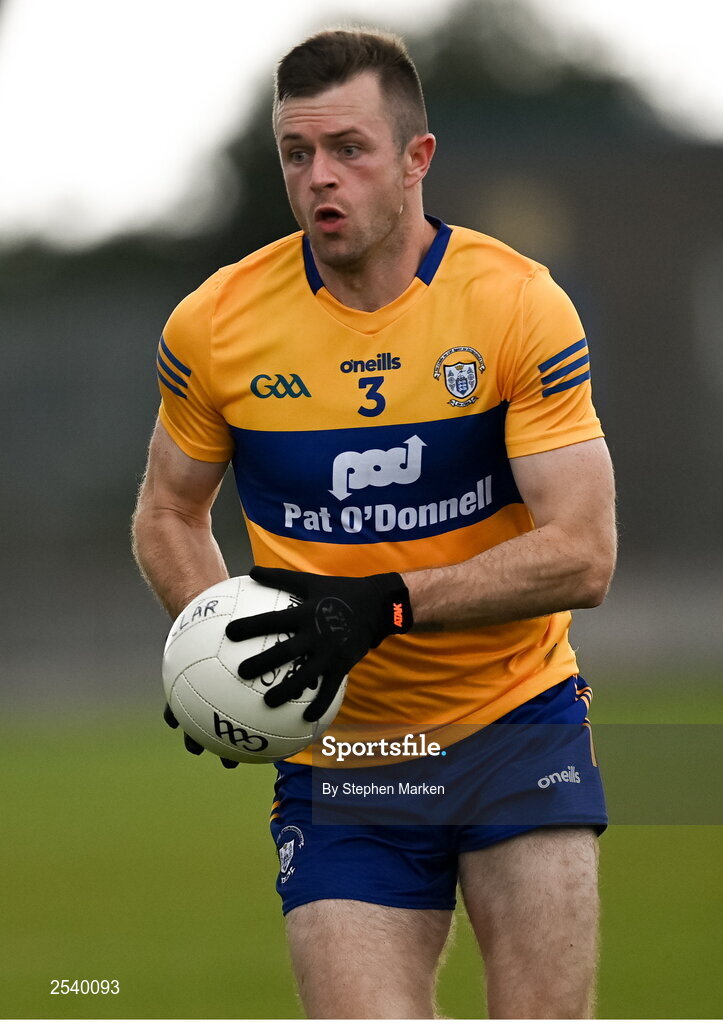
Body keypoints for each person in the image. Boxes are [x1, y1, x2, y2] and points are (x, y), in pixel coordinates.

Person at [132, 27, 616, 1019]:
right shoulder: (215, 325)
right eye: (296, 152)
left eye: (347, 148)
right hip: (342, 760)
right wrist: (218, 645)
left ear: (414, 158)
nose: (319, 176)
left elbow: (582, 553)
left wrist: (382, 605)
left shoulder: (518, 306)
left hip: (516, 725)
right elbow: (168, 511)